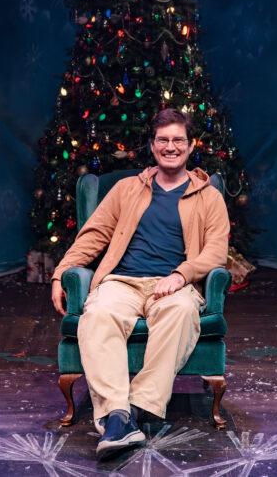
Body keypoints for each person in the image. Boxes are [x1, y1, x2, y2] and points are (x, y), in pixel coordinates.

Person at [51, 108, 230, 458]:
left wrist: (181, 274)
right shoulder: (125, 190)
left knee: (180, 314)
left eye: (178, 140)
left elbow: (216, 253)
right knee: (98, 313)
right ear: (152, 145)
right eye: (163, 140)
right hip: (123, 282)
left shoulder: (210, 197)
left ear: (191, 145)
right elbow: (92, 237)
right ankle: (118, 413)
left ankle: (128, 413)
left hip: (175, 287)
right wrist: (61, 272)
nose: (171, 146)